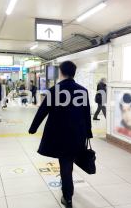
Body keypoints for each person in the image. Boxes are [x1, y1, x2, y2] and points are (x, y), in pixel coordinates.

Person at [29, 61, 93, 208]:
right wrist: (88, 132)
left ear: (61, 73)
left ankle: (67, 197)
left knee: (65, 162)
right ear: (74, 73)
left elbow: (42, 111)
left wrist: (33, 128)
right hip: (77, 133)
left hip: (59, 134)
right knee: (68, 160)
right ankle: (66, 185)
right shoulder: (82, 91)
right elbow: (86, 114)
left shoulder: (54, 90)